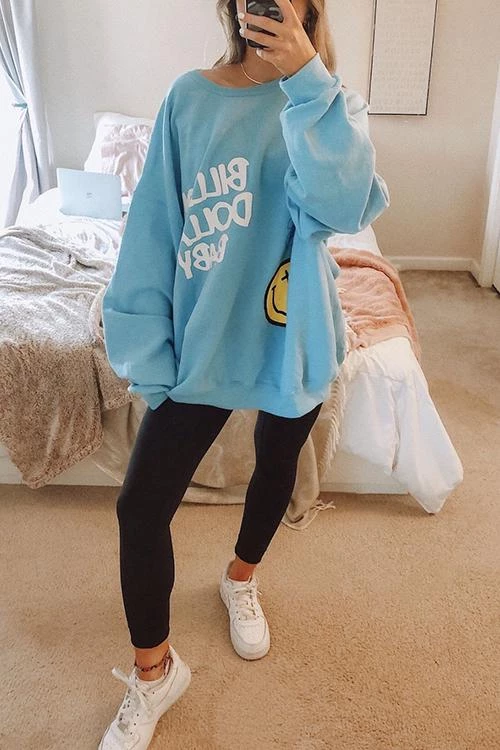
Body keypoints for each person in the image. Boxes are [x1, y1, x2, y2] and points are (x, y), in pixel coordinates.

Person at [98, 0, 390, 747]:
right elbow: (152, 229)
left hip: (294, 336)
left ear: (311, 9)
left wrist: (308, 85)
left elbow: (343, 208)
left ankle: (240, 578)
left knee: (276, 465)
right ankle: (156, 673)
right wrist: (150, 350)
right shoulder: (189, 98)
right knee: (140, 507)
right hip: (205, 340)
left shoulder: (331, 103)